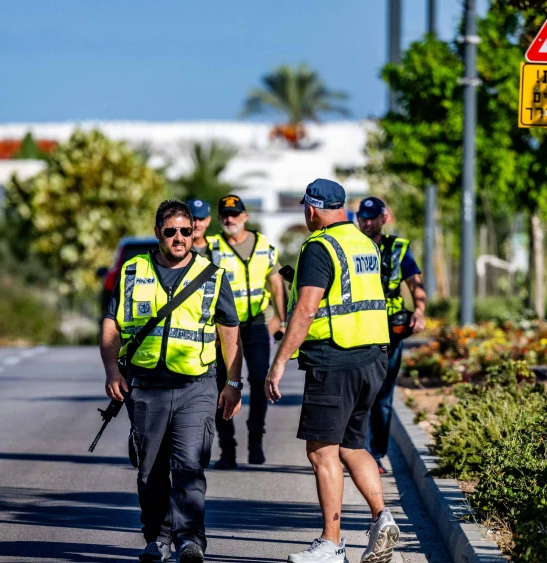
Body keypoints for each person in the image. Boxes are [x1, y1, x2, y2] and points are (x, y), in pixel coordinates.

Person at [100, 200, 244, 563]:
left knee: (188, 466)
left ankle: (190, 540)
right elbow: (111, 325)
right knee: (150, 470)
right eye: (171, 231)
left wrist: (233, 382)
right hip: (146, 386)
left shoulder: (212, 275)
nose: (179, 238)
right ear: (158, 233)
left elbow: (229, 331)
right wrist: (111, 371)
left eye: (186, 231)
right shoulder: (133, 271)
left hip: (196, 385)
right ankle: (157, 539)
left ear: (194, 232)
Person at [265, 179, 401, 563]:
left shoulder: (319, 246)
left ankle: (332, 543)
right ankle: (382, 518)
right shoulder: (365, 243)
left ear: (311, 210)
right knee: (352, 445)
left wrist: (278, 364)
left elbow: (306, 310)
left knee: (322, 451)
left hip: (335, 358)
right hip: (373, 356)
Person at [205, 194, 287, 469]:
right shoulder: (212, 248)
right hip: (222, 328)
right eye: (225, 215)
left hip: (255, 324)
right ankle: (227, 449)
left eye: (235, 214)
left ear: (245, 217)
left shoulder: (263, 245)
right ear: (219, 219)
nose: (230, 219)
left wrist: (281, 319)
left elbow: (276, 284)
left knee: (260, 380)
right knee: (223, 385)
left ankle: (256, 441)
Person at [356, 197, 427, 474]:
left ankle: (376, 455)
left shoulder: (398, 249)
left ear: (384, 218)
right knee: (359, 394)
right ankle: (354, 451)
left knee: (383, 397)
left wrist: (419, 311)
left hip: (389, 332)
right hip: (357, 330)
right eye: (363, 216)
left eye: (373, 217)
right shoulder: (351, 246)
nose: (368, 222)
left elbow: (416, 284)